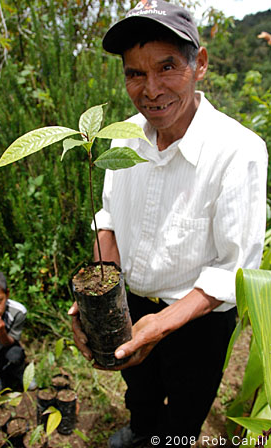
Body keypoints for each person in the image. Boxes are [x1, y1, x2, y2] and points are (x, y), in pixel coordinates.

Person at [69, 1, 268, 446]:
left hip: (198, 321)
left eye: (166, 67)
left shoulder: (239, 152)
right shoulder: (123, 136)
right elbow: (109, 219)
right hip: (131, 303)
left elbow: (231, 269)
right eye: (135, 73)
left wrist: (163, 324)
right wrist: (102, 297)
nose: (151, 89)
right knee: (139, 390)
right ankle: (141, 431)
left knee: (186, 404)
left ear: (199, 64)